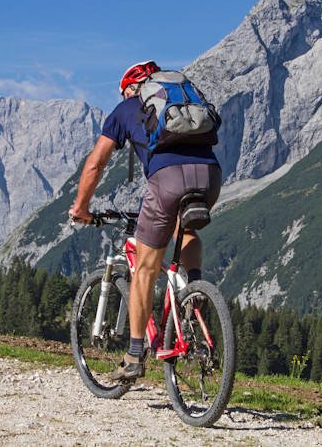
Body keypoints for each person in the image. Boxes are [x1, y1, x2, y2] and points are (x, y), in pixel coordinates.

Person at [68, 60, 222, 382]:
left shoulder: (125, 110)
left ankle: (134, 356)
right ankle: (195, 295)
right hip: (210, 177)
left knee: (145, 268)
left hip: (167, 182)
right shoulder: (182, 98)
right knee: (186, 230)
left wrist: (81, 207)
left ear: (129, 90)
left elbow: (96, 164)